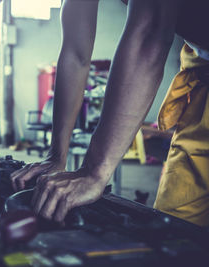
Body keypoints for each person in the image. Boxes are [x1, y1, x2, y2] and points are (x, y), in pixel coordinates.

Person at [11, 0, 209, 226]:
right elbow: (76, 54)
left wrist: (95, 172)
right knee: (176, 233)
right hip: (202, 79)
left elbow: (150, 33)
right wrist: (56, 157)